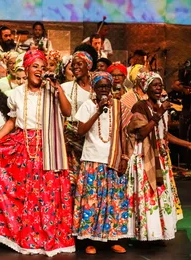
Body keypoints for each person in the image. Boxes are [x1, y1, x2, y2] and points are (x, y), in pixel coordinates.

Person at [0, 50, 75, 256]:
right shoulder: (16, 94)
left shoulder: (52, 91)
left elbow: (68, 112)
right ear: (26, 69)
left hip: (50, 147)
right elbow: (12, 122)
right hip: (24, 146)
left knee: (48, 194)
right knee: (26, 195)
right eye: (35, 66)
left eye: (43, 67)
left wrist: (58, 88)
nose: (39, 71)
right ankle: (27, 237)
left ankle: (49, 237)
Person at [126, 72, 191, 241]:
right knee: (148, 196)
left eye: (160, 85)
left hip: (161, 157)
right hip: (145, 155)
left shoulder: (162, 108)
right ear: (146, 88)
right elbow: (142, 133)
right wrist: (159, 113)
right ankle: (146, 233)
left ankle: (159, 232)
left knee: (161, 196)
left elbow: (164, 134)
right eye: (154, 85)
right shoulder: (139, 107)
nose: (158, 88)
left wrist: (187, 144)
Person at [73, 71, 132, 255]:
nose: (104, 90)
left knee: (112, 201)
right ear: (94, 88)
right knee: (92, 201)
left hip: (113, 160)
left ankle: (111, 239)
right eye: (100, 86)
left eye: (107, 86)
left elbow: (125, 134)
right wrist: (98, 111)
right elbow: (80, 131)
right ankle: (90, 240)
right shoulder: (88, 106)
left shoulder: (119, 106)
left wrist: (124, 158)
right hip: (92, 160)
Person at [61, 44, 97, 185]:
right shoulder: (66, 87)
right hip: (72, 138)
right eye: (73, 65)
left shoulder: (97, 87)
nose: (75, 67)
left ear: (88, 65)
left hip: (92, 137)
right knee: (73, 179)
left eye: (79, 64)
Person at [172, 58, 191, 169]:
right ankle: (186, 162)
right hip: (187, 107)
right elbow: (175, 85)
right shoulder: (185, 72)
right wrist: (180, 88)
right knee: (184, 133)